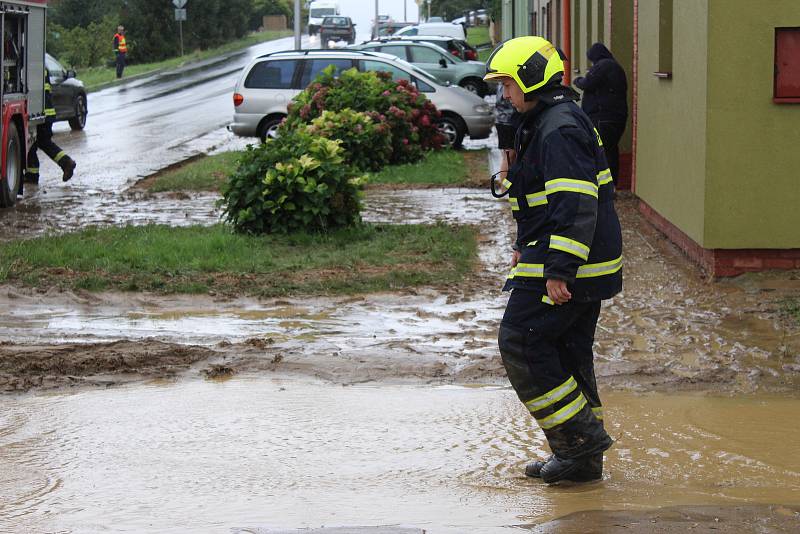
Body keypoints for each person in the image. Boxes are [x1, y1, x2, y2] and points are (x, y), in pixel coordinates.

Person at [484, 36, 623, 484]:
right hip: (566, 257)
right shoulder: (551, 119)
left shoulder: (558, 126)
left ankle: (580, 444)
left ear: (529, 78)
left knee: (521, 341)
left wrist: (559, 269)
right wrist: (526, 246)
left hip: (569, 265)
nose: (505, 94)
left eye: (507, 84)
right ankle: (581, 458)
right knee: (567, 352)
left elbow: (576, 203)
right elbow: (545, 200)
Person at [573, 42, 628, 185]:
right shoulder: (615, 67)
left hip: (602, 117)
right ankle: (612, 184)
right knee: (610, 151)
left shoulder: (604, 65)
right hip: (616, 117)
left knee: (600, 151)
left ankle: (604, 186)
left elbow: (587, 83)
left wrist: (577, 80)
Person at [25, 68, 77, 184]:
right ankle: (33, 175)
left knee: (35, 143)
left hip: (40, 115)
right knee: (39, 143)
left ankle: (33, 176)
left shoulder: (31, 67)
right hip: (46, 114)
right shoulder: (42, 67)